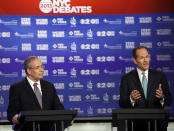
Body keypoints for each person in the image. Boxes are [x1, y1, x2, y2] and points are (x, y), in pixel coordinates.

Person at [7, 56, 72, 131]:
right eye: (38, 67)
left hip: (49, 128)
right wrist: (14, 117)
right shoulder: (17, 87)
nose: (42, 70)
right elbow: (11, 111)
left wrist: (67, 117)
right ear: (29, 71)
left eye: (42, 67)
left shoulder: (49, 86)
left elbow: (58, 107)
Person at [119, 46, 172, 131]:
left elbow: (169, 99)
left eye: (147, 57)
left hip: (157, 123)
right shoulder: (127, 78)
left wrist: (162, 97)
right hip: (136, 124)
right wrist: (131, 99)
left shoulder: (159, 76)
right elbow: (121, 102)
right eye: (142, 58)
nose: (146, 60)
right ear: (134, 60)